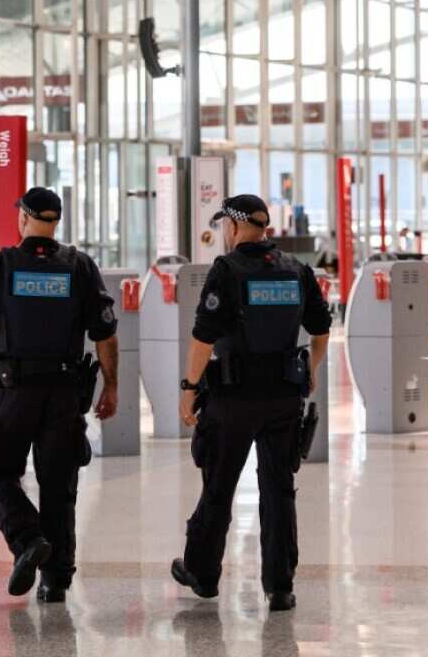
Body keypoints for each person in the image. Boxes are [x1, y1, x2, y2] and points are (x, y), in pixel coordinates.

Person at [0, 187, 120, 603]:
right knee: (58, 486)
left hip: (11, 393)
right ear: (56, 221)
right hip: (65, 395)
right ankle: (55, 582)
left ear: (24, 218)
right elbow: (104, 334)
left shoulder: (1, 265)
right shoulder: (80, 267)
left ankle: (27, 537)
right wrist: (112, 386)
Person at [171, 194, 331, 612]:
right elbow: (321, 327)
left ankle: (203, 574)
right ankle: (280, 586)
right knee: (278, 490)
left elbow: (203, 337)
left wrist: (189, 388)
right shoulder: (296, 270)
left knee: (219, 487)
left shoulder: (227, 270)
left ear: (235, 226)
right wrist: (311, 368)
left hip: (233, 399)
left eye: (225, 224)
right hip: (283, 399)